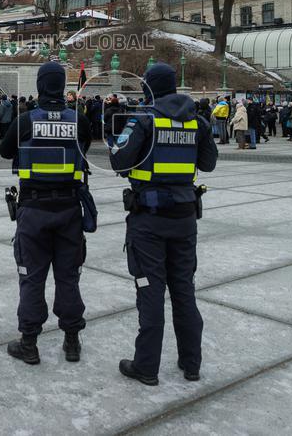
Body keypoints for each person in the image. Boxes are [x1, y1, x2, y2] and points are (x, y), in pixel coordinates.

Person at [110, 62, 218, 385]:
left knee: (150, 291)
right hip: (185, 220)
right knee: (184, 289)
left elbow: (118, 158)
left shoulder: (144, 119)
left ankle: (146, 366)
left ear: (150, 88)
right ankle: (191, 363)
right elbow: (209, 163)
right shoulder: (196, 122)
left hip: (149, 221)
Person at [0, 61, 92, 365]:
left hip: (34, 209)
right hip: (68, 209)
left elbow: (5, 151)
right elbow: (85, 148)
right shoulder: (79, 120)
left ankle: (29, 343)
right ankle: (72, 340)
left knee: (31, 277)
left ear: (40, 86)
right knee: (69, 277)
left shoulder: (26, 121)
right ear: (62, 84)